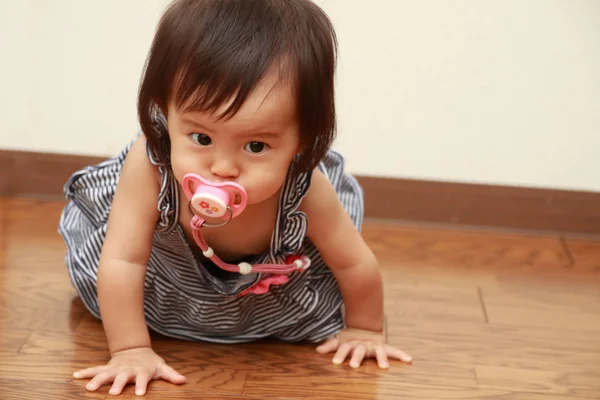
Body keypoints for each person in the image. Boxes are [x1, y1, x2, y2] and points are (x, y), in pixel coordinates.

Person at [58, 0, 412, 396]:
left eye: (257, 146)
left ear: (302, 140)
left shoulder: (304, 185)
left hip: (271, 298)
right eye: (202, 138)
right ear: (164, 111)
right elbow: (124, 259)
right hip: (163, 284)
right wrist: (130, 349)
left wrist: (364, 329)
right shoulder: (151, 165)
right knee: (109, 276)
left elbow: (354, 262)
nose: (223, 168)